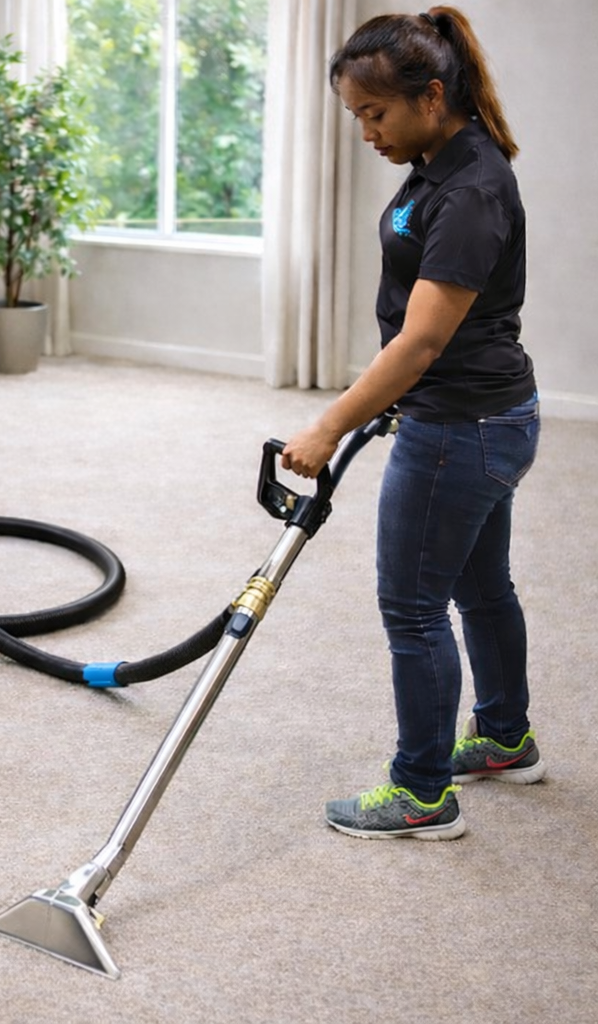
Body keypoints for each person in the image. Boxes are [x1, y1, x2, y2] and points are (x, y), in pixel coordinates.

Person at [281, 6, 545, 840]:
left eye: (374, 113)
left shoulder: (470, 187)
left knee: (414, 607)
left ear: (432, 96)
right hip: (485, 418)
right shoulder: (446, 158)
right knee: (480, 587)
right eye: (357, 116)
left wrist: (329, 424)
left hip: (458, 427)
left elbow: (423, 341)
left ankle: (423, 791)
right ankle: (505, 738)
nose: (366, 132)